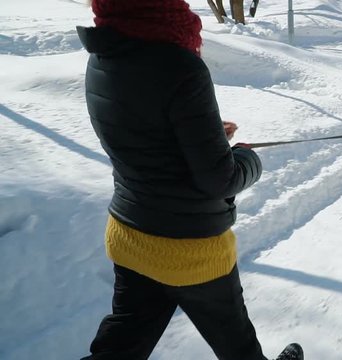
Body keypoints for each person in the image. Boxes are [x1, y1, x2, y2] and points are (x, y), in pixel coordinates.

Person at [76, 0, 303, 359]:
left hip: (130, 237)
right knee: (239, 347)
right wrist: (247, 156)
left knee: (118, 350)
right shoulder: (179, 65)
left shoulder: (102, 53)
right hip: (189, 250)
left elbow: (143, 134)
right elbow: (220, 179)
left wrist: (205, 133)